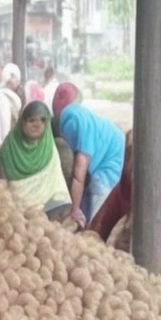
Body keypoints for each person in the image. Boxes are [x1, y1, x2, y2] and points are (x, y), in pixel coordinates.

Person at [88, 133, 161, 260]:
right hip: (141, 231)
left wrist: (131, 246)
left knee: (141, 255)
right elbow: (105, 217)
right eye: (129, 154)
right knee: (123, 246)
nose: (131, 160)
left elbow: (150, 224)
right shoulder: (126, 181)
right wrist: (91, 241)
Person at [52, 82, 124, 224]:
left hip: (108, 164)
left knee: (99, 215)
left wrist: (74, 209)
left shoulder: (80, 125)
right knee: (83, 205)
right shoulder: (74, 120)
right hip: (99, 159)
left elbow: (79, 175)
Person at [0, 101, 70, 220]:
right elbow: (1, 186)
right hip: (17, 211)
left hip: (49, 208)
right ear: (22, 123)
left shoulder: (50, 147)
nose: (37, 125)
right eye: (31, 120)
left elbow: (57, 189)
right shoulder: (9, 147)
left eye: (42, 120)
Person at [0, 63, 24, 140]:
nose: (16, 81)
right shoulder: (0, 97)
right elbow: (4, 124)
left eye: (17, 78)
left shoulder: (20, 95)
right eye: (12, 77)